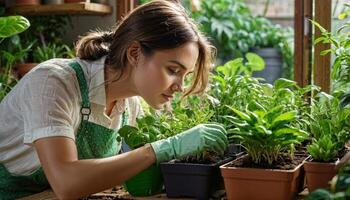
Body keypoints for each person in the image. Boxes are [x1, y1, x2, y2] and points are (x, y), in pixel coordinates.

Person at [0, 0, 228, 199]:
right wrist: (163, 148)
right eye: (172, 70)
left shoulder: (130, 105)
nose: (180, 87)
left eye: (185, 76)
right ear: (134, 53)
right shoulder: (54, 82)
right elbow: (66, 183)